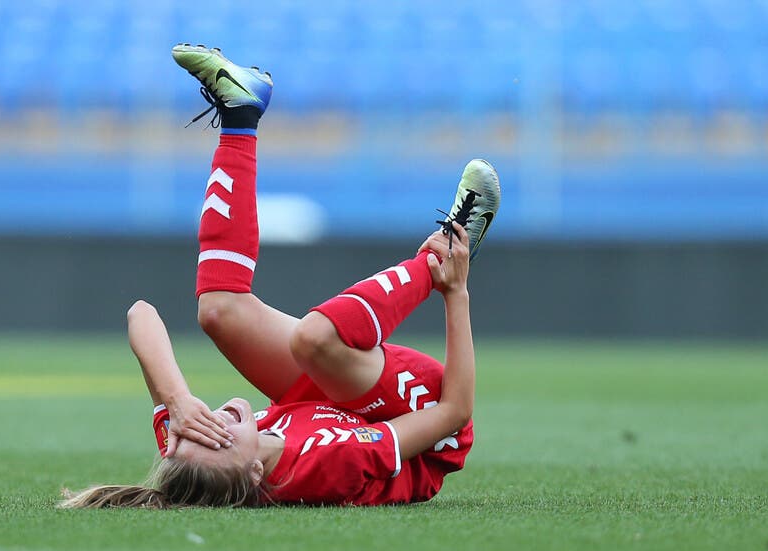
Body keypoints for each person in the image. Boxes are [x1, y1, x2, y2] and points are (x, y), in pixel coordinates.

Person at [62, 44, 500, 508]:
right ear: (255, 472)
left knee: (218, 311)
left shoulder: (196, 458)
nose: (218, 422)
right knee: (315, 339)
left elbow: (140, 314)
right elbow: (455, 412)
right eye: (220, 438)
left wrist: (177, 402)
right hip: (426, 420)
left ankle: (240, 114)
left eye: (200, 427)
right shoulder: (322, 466)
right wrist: (457, 294)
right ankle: (446, 256)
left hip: (325, 405)